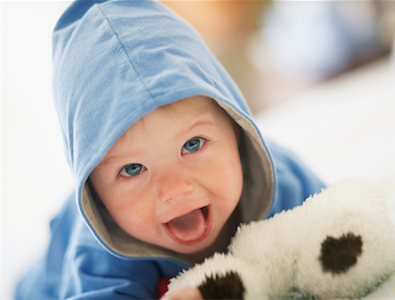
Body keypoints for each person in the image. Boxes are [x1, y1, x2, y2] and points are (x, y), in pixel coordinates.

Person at [15, 0, 324, 299]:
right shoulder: (100, 260)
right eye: (132, 169)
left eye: (193, 145)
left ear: (235, 129)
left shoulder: (283, 181)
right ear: (96, 196)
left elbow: (346, 223)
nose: (175, 190)